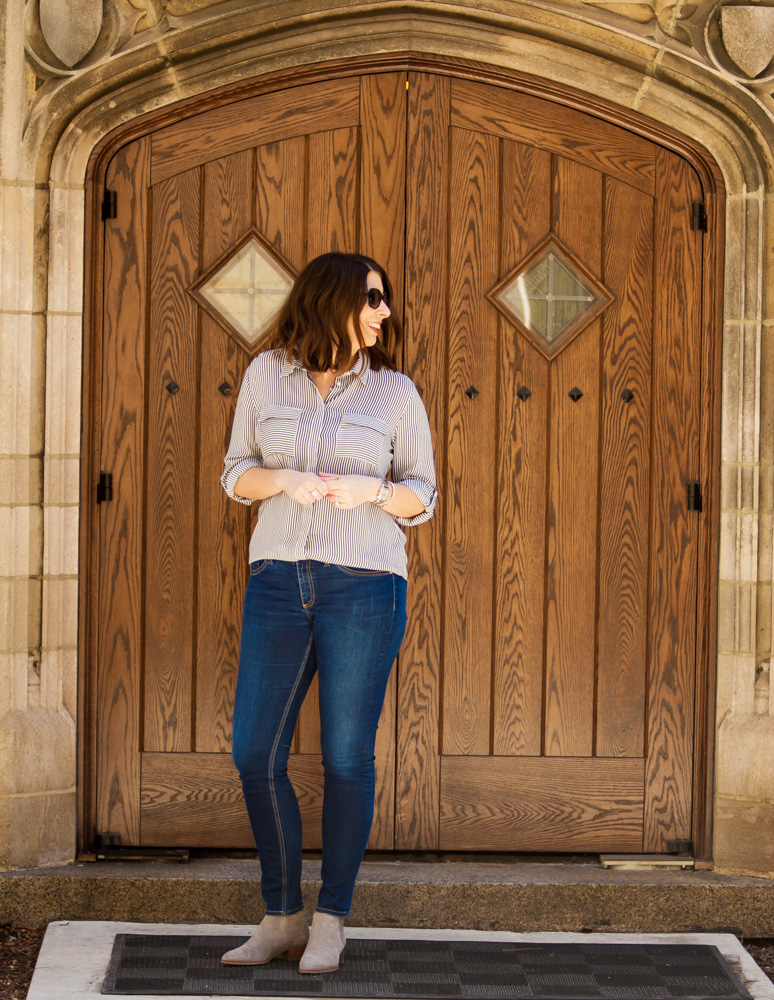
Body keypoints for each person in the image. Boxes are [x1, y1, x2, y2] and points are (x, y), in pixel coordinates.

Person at [219, 251, 438, 973]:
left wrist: (370, 493)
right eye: (373, 298)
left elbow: (423, 497)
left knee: (347, 756)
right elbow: (235, 475)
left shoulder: (396, 394)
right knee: (255, 751)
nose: (383, 312)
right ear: (333, 300)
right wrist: (282, 477)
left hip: (364, 587)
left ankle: (331, 919)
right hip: (278, 579)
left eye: (385, 301)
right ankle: (281, 914)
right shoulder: (264, 376)